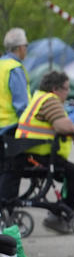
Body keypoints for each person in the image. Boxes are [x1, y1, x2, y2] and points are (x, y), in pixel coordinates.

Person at [13, 69, 74, 234]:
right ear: (55, 89)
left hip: (29, 155)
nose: (68, 93)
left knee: (72, 173)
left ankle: (58, 215)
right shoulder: (50, 100)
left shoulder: (38, 97)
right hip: (38, 157)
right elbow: (62, 125)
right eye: (66, 88)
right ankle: (59, 217)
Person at [0, 27, 30, 211]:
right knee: (11, 171)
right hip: (11, 128)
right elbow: (21, 105)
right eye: (26, 45)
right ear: (19, 48)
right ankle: (7, 213)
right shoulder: (14, 69)